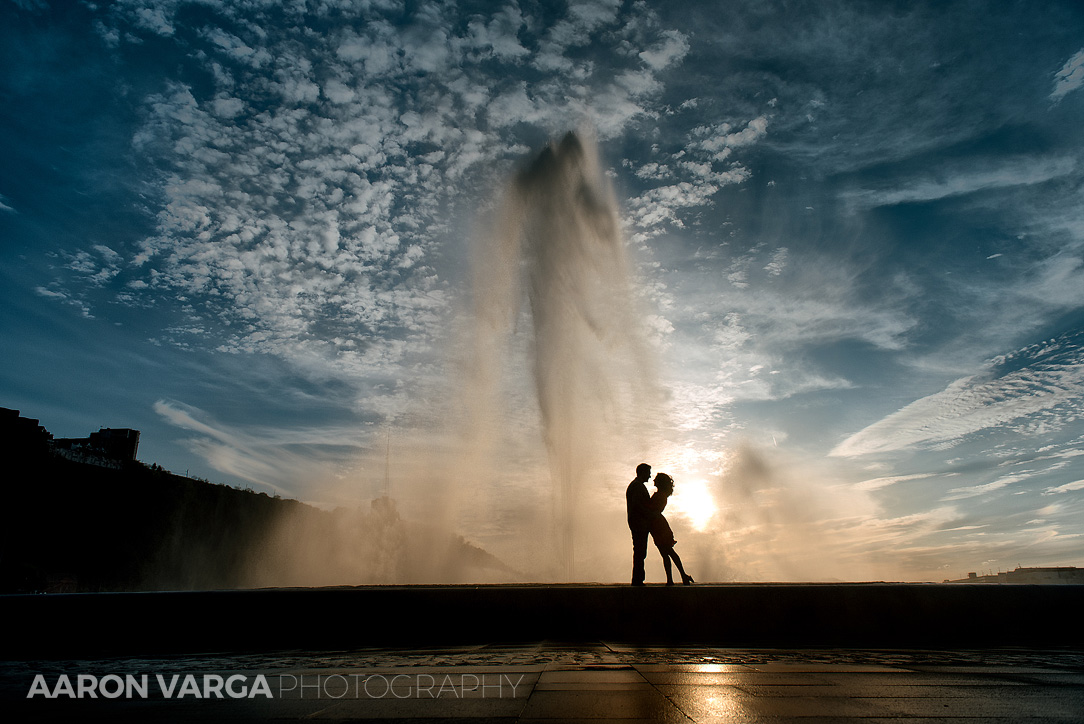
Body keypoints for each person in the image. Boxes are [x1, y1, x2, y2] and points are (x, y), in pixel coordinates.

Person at [649, 473, 694, 585]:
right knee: (667, 553)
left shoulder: (660, 496)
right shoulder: (662, 495)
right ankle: (676, 577)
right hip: (657, 525)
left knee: (668, 552)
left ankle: (678, 577)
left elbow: (653, 510)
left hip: (659, 526)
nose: (653, 480)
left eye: (656, 479)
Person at [625, 462, 653, 585]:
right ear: (642, 473)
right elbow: (637, 505)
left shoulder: (635, 486)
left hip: (637, 523)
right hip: (639, 524)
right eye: (648, 473)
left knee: (640, 551)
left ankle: (638, 578)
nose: (650, 476)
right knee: (640, 551)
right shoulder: (637, 487)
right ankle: (637, 579)